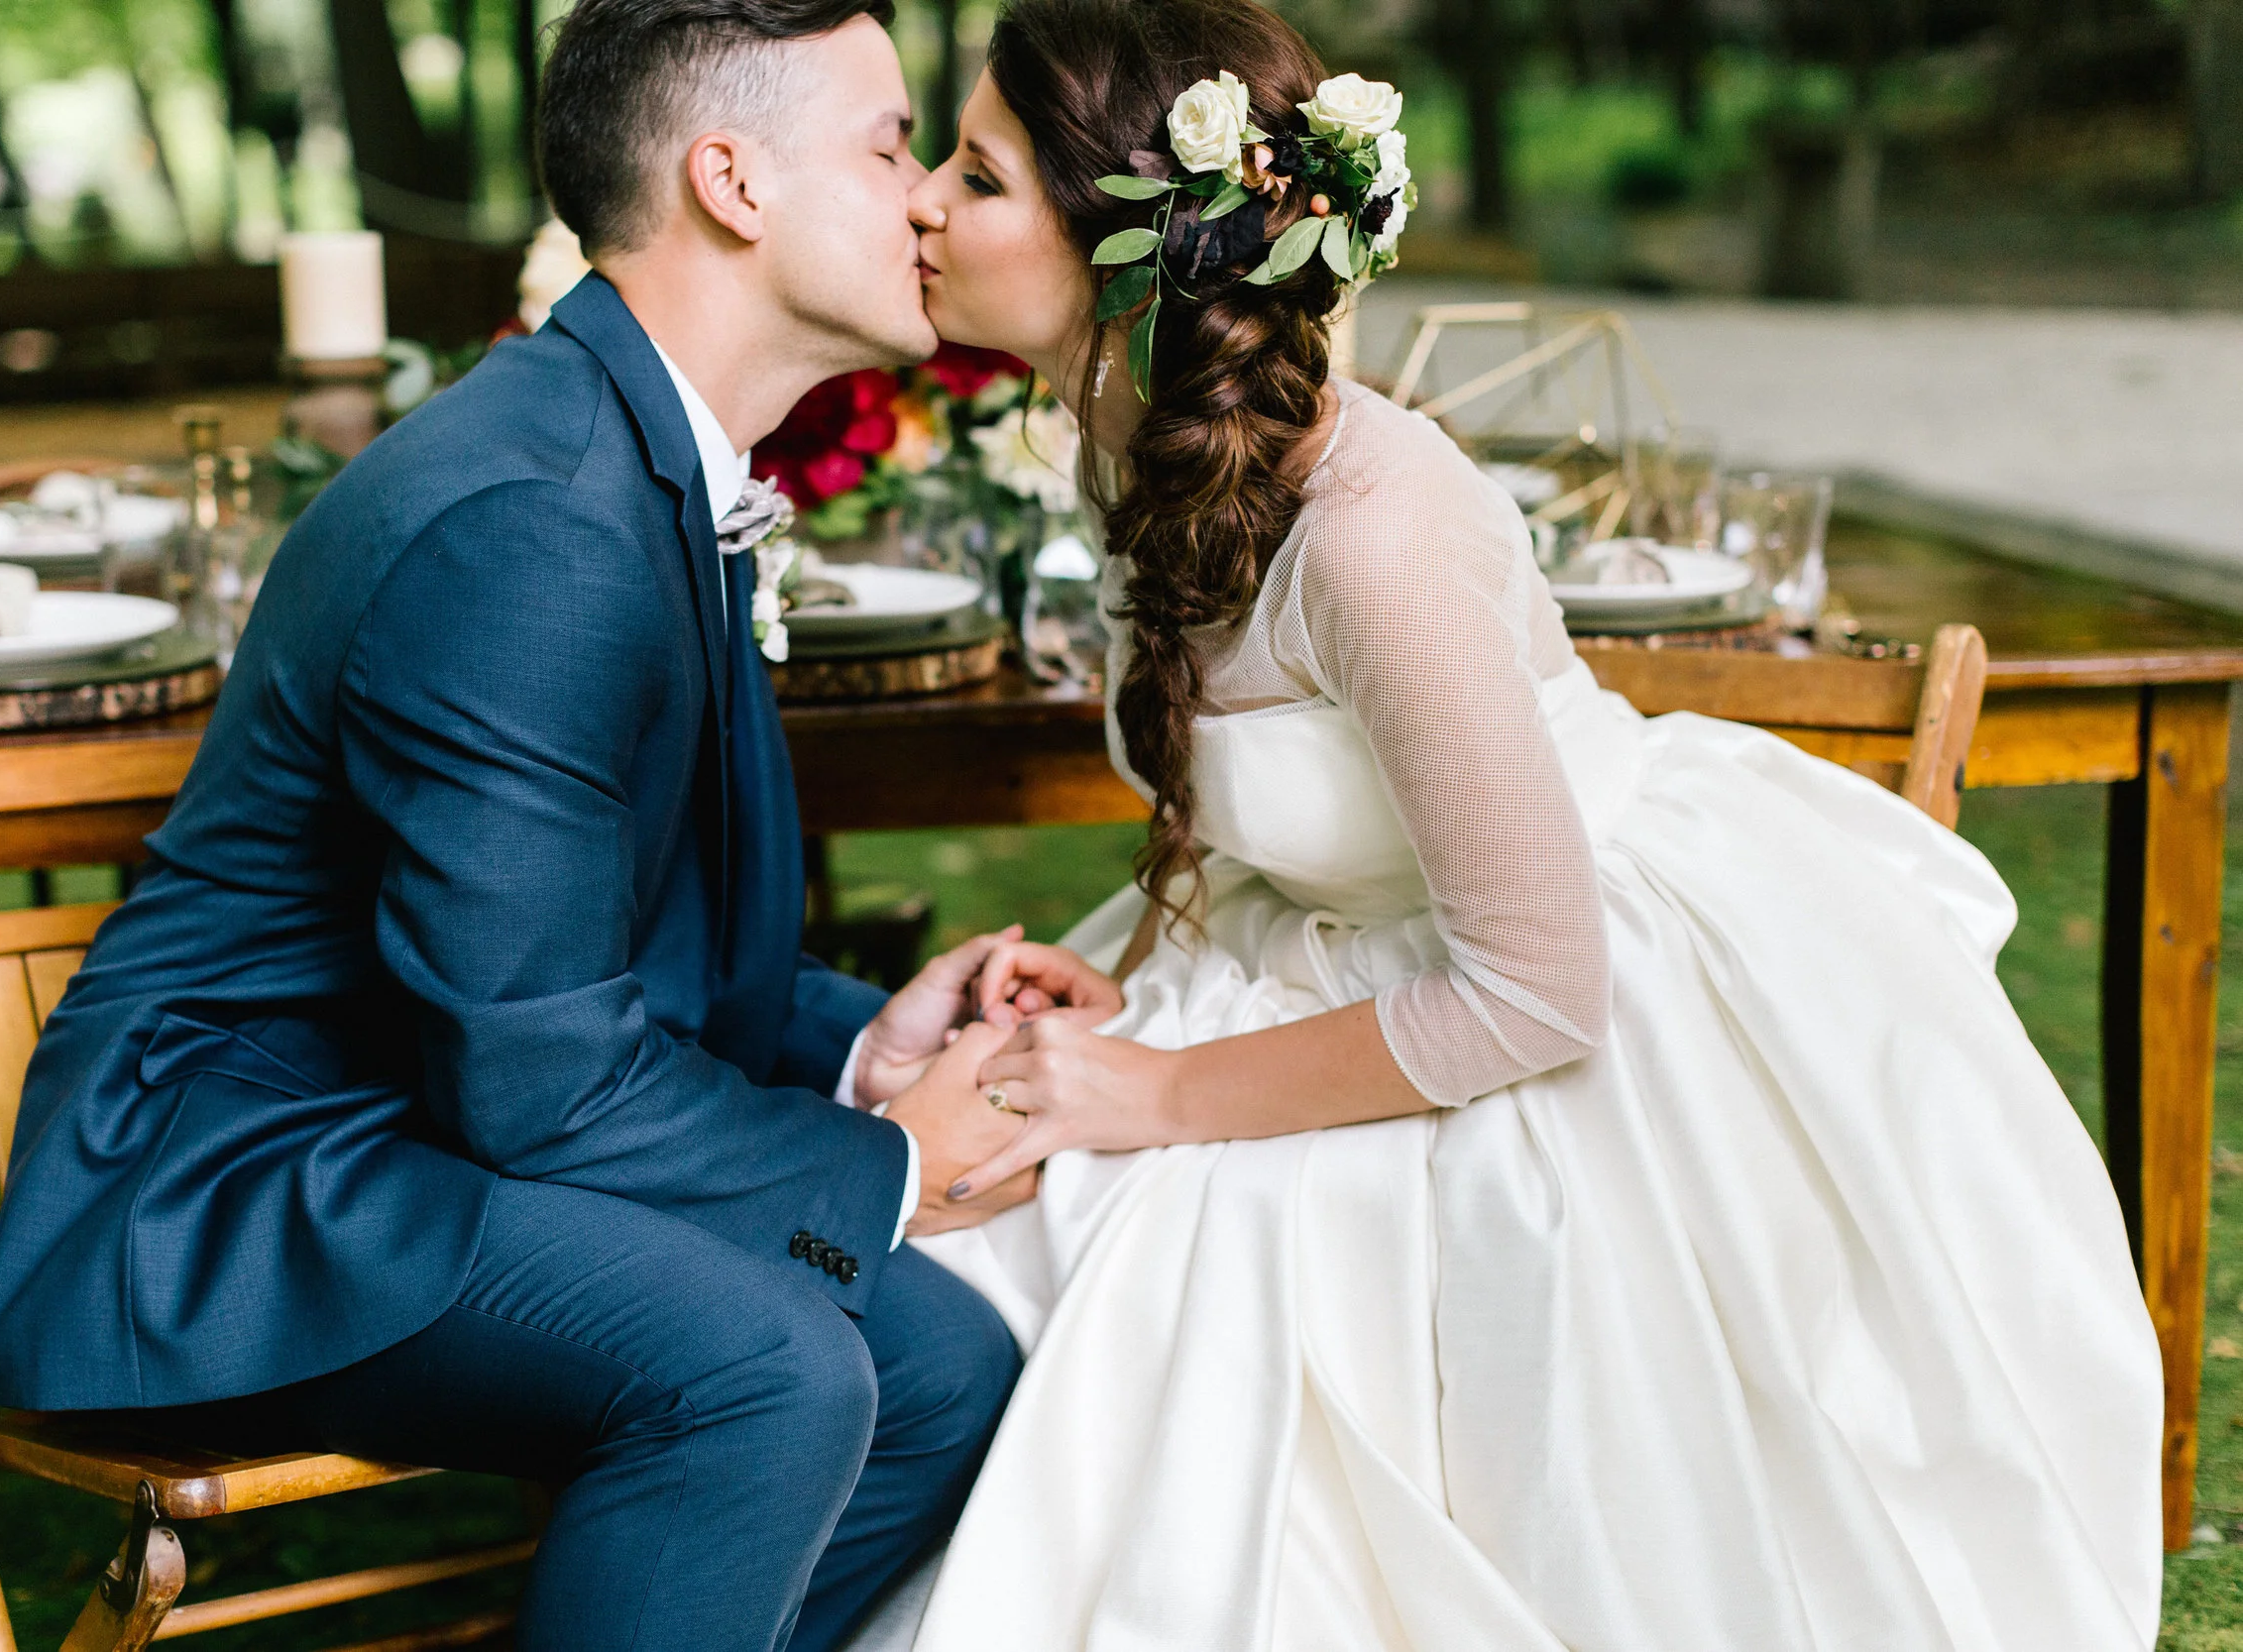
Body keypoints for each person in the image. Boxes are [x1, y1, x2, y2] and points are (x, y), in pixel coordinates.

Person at [878, 0, 2167, 1644]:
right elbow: (1260, 782)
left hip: (1562, 996)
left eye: (975, 175)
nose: (920, 200)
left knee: (1191, 1256)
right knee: (1023, 1195)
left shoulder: (1371, 538)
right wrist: (1137, 975)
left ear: (1130, 242)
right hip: (1341, 945)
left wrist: (1165, 1091)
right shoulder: (1135, 438)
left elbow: (1542, 991)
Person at [0, 2, 1071, 1647]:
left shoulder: (637, 454)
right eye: (890, 143)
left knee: (940, 1365)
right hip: (241, 1192)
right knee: (767, 1367)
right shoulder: (532, 517)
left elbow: (607, 944)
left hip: (418, 1119)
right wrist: (895, 1158)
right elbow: (544, 1075)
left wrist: (864, 1048)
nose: (926, 196)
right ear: (732, 183)